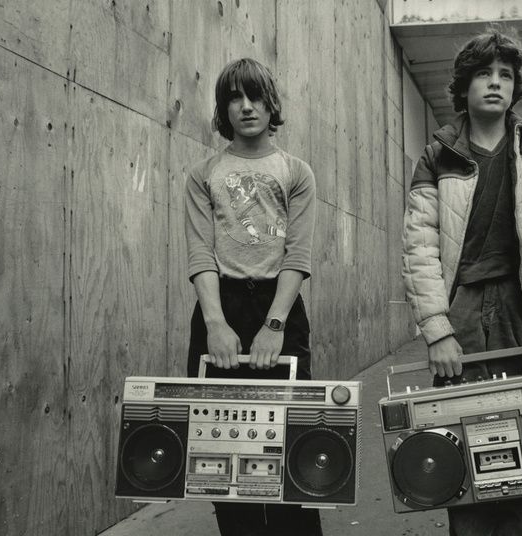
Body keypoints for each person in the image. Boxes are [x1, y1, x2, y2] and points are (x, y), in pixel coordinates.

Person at [401, 29, 522, 535]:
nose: (495, 83)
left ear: (516, 86)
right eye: (484, 73)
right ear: (463, 86)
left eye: (505, 74)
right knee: (465, 456)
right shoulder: (437, 156)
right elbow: (419, 247)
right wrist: (437, 330)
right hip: (461, 315)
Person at [184, 57, 320, 536]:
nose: (246, 107)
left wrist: (275, 324)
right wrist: (216, 324)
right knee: (221, 450)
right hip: (219, 305)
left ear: (271, 103)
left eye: (255, 97)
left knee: (291, 450)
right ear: (223, 108)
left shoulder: (296, 171)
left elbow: (297, 255)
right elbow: (201, 252)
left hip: (279, 306)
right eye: (234, 99)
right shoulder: (204, 173)